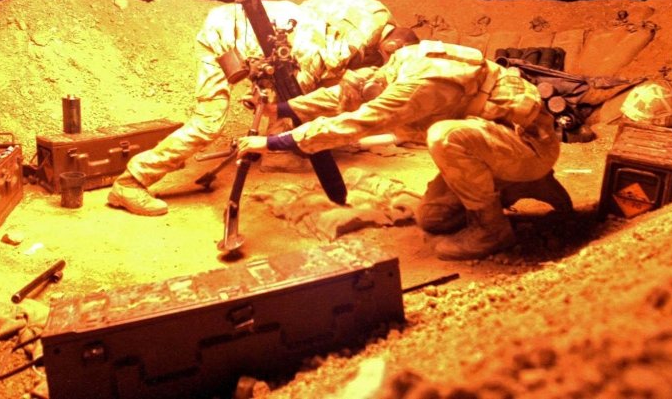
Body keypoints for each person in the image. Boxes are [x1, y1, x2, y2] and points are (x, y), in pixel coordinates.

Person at [236, 38, 563, 260]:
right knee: (431, 218)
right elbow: (343, 98)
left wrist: (273, 142)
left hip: (529, 146)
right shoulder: (396, 66)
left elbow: (358, 122)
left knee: (445, 137)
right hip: (498, 143)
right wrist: (280, 109)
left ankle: (493, 230)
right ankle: (518, 182)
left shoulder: (416, 87)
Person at [107, 0, 401, 216]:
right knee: (209, 123)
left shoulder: (363, 13)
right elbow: (302, 97)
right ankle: (132, 181)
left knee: (288, 91)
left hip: (244, 30)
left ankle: (277, 156)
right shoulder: (330, 48)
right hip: (229, 39)